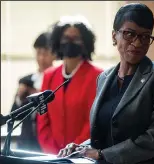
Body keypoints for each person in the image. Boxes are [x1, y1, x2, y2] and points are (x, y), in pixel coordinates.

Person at [58, 3, 154, 164]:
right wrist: (81, 148)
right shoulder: (104, 77)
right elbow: (105, 135)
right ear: (114, 36)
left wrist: (102, 155)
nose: (137, 43)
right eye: (130, 34)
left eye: (145, 36)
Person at [37, 15, 103, 154]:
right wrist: (54, 153)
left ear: (85, 42)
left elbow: (92, 122)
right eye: (66, 38)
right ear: (57, 41)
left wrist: (73, 151)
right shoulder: (49, 75)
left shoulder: (97, 76)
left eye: (76, 38)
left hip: (81, 155)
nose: (70, 42)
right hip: (51, 156)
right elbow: (42, 118)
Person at [10, 32, 55, 152]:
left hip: (50, 143)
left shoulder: (58, 81)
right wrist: (19, 97)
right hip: (26, 142)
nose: (41, 58)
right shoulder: (26, 80)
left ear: (54, 55)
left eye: (45, 53)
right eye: (38, 53)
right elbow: (15, 114)